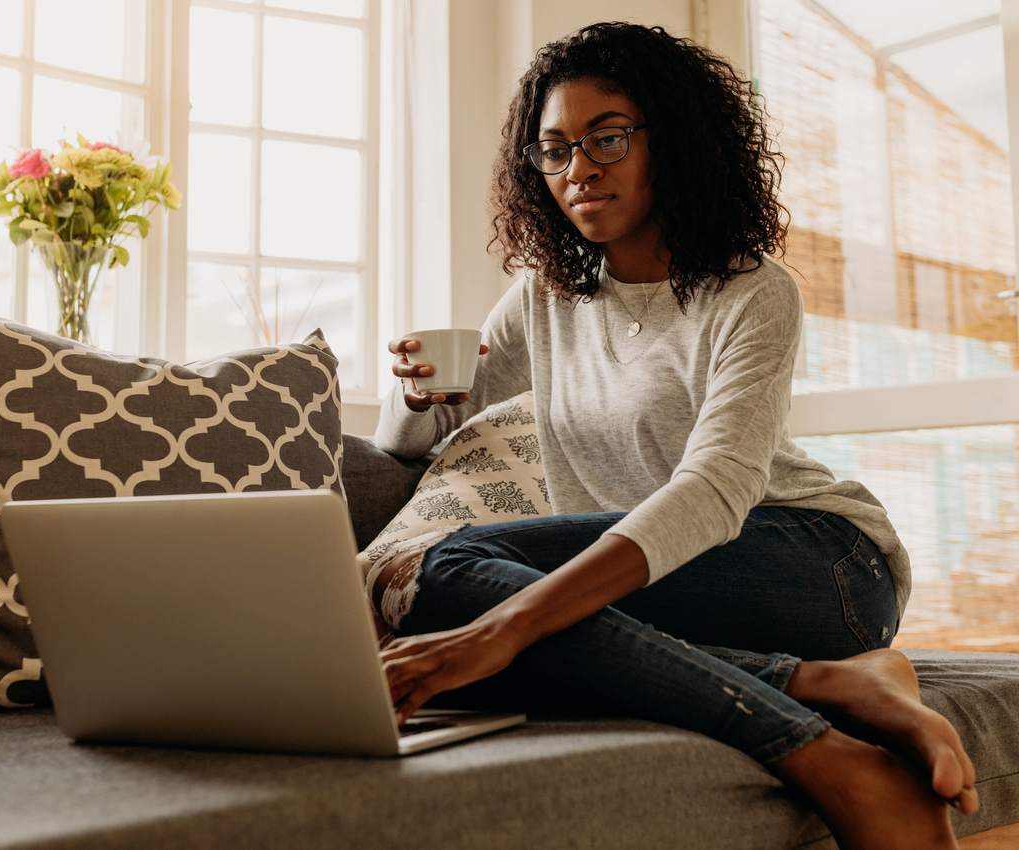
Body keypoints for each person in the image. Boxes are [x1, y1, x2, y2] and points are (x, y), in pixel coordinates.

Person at [370, 21, 978, 850]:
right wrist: (414, 395)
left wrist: (503, 628)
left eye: (607, 138)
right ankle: (818, 686)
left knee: (466, 582)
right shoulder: (545, 298)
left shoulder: (753, 293)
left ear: (678, 140)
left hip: (815, 561)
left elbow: (716, 491)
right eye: (553, 151)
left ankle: (828, 757)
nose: (578, 170)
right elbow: (416, 442)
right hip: (666, 589)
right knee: (429, 585)